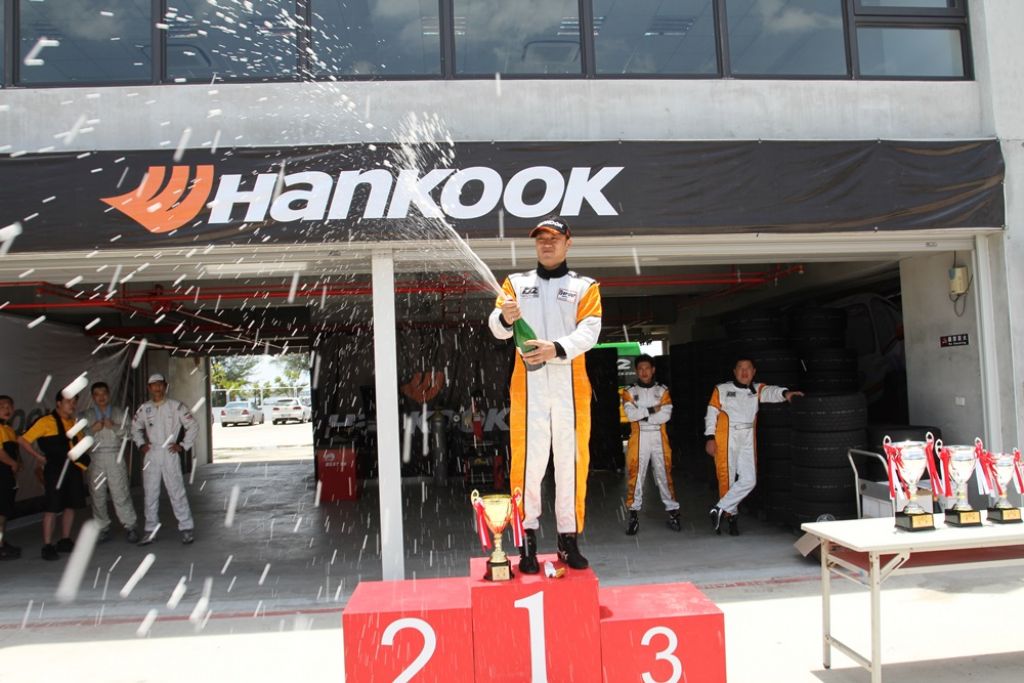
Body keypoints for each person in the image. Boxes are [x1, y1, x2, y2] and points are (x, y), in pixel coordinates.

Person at [488, 216, 602, 572]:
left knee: (571, 464)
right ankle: (527, 542)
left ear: (568, 243)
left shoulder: (585, 286)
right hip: (529, 389)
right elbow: (496, 329)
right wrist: (505, 318)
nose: (547, 244)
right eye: (541, 239)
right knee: (527, 465)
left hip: (571, 388)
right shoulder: (515, 283)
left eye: (554, 238)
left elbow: (591, 332)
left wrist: (557, 348)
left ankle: (568, 540)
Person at [704, 358, 803, 536]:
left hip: (748, 437)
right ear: (734, 371)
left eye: (748, 368)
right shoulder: (722, 389)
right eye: (740, 368)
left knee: (750, 479)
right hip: (726, 436)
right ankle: (731, 518)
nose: (744, 372)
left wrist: (786, 393)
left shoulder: (757, 389)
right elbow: (711, 414)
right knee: (727, 479)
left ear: (754, 372)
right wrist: (710, 437)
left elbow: (771, 392)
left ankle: (719, 508)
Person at [18, 391, 88, 561]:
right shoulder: (45, 421)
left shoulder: (74, 423)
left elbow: (80, 445)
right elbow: (23, 440)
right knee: (52, 506)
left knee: (70, 504)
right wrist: (38, 457)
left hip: (72, 469)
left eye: (74, 402)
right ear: (58, 403)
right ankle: (48, 545)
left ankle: (65, 539)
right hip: (55, 469)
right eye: (68, 401)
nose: (72, 405)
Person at [131, 373, 198, 545]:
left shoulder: (176, 406)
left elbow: (192, 425)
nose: (157, 388)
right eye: (153, 385)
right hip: (152, 453)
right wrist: (141, 444)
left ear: (165, 386)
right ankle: (150, 530)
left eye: (160, 384)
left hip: (170, 452)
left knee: (176, 491)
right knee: (150, 493)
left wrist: (183, 445)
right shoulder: (144, 409)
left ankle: (186, 528)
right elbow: (135, 428)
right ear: (149, 388)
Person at [621, 355, 680, 535]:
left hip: (659, 437)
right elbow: (631, 415)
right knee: (636, 475)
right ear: (636, 371)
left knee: (664, 474)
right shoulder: (629, 391)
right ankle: (633, 515)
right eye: (640, 369)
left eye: (647, 368)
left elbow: (666, 415)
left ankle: (673, 512)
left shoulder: (662, 390)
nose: (644, 372)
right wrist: (653, 410)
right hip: (639, 437)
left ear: (653, 370)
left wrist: (643, 415)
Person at [83, 382, 139, 543]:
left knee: (121, 492)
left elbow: (131, 434)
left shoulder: (119, 413)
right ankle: (102, 527)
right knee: (97, 495)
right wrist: (91, 430)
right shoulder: (86, 415)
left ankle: (130, 526)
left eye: (104, 393)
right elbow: (77, 438)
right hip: (95, 456)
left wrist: (114, 427)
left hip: (115, 454)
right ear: (93, 397)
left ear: (108, 394)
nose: (101, 397)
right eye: (97, 394)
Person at [0, 395, 22, 559]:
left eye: (9, 407)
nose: (6, 410)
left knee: (4, 512)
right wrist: (13, 464)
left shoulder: (8, 429)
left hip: (8, 476)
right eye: (2, 407)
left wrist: (17, 463)